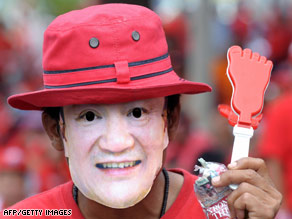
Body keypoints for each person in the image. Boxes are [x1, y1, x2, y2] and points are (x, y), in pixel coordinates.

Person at [1, 3, 281, 219]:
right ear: (55, 130)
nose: (117, 143)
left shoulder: (227, 212)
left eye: (137, 113)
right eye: (89, 116)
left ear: (170, 120)